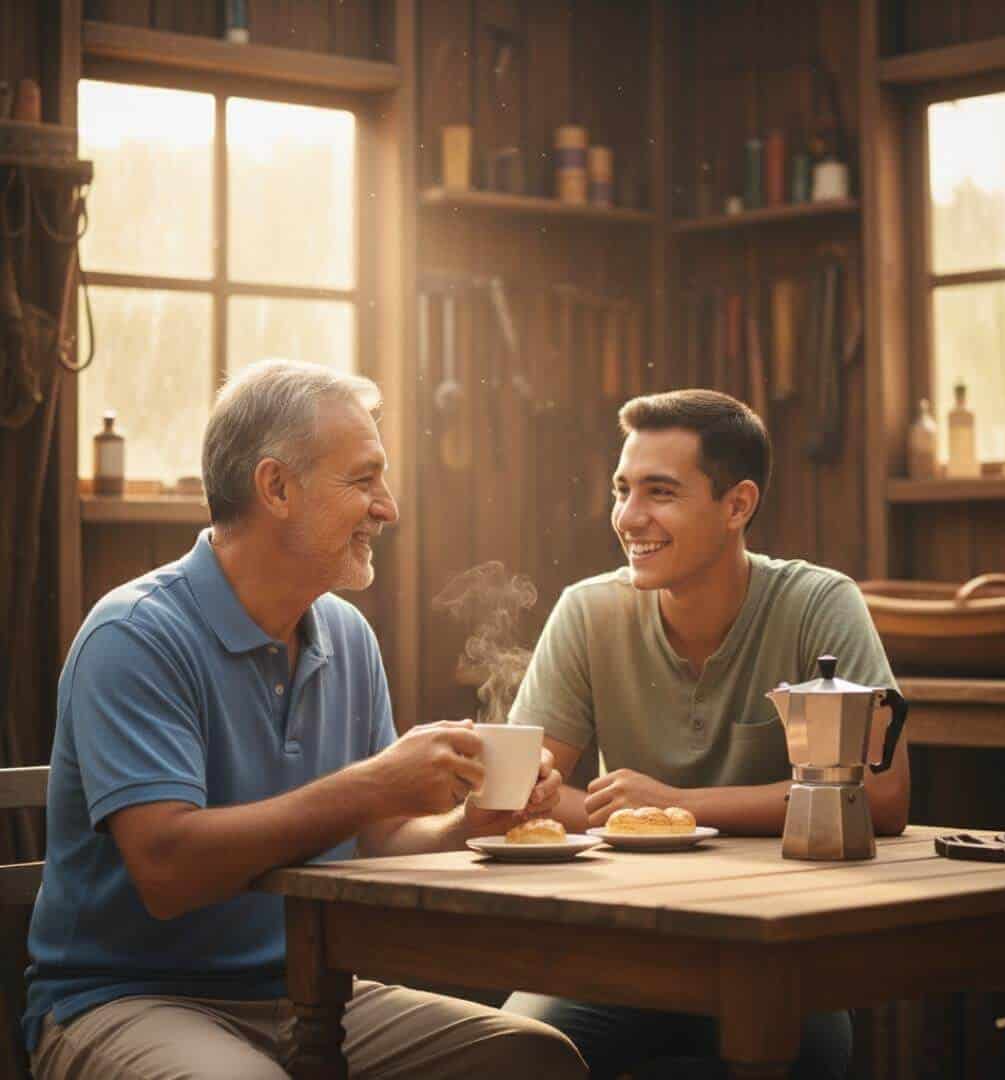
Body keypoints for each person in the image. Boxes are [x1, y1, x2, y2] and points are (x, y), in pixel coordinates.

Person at [25, 359, 586, 1080]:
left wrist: (466, 827)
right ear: (276, 487)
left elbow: (377, 840)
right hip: (126, 999)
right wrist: (372, 786)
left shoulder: (347, 637)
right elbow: (166, 869)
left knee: (533, 1058)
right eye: (364, 479)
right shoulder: (135, 636)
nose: (388, 507)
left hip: (313, 993)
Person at [504, 388, 910, 1079]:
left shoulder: (819, 602)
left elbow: (883, 797)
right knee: (508, 1052)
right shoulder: (588, 611)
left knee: (809, 1054)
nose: (630, 517)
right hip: (622, 952)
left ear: (738, 505)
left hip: (780, 954)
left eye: (660, 492)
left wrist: (676, 806)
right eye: (622, 489)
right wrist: (625, 812)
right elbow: (523, 793)